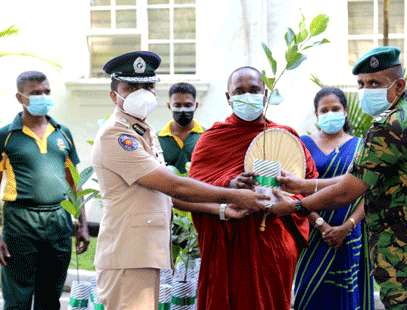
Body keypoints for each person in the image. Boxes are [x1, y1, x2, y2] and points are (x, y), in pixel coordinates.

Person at [270, 46, 407, 309]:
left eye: (375, 83)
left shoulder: (389, 126)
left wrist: (296, 205)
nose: (366, 90)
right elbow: (359, 175)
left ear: (399, 85)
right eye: (361, 84)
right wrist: (303, 184)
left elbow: (347, 191)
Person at [92, 52, 268, 310]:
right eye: (131, 87)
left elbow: (167, 196)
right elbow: (172, 184)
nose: (141, 93)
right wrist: (236, 196)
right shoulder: (117, 136)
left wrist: (221, 210)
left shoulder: (142, 130)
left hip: (141, 253)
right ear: (113, 95)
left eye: (147, 86)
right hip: (127, 256)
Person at [188, 66, 318, 310]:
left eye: (254, 90)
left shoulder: (285, 136)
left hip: (273, 242)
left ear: (265, 94)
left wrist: (283, 199)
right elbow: (192, 190)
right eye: (239, 91)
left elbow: (307, 187)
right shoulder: (212, 140)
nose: (247, 96)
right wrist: (229, 184)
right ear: (229, 98)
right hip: (229, 245)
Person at [0, 71, 89, 309]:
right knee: (17, 299)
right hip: (19, 222)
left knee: (50, 298)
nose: (43, 97)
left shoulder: (63, 133)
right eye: (35, 93)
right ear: (20, 97)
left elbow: (74, 182)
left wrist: (82, 223)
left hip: (58, 221)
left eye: (46, 92)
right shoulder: (6, 136)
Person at [294, 87, 374, 310]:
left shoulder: (361, 147)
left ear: (345, 111)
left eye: (335, 108)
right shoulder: (303, 144)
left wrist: (347, 226)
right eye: (324, 110)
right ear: (317, 114)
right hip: (311, 234)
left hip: (348, 234)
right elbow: (296, 190)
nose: (330, 113)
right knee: (309, 295)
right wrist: (320, 223)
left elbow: (369, 192)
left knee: (344, 298)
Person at [158, 82, 203, 174]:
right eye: (177, 105)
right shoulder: (156, 139)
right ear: (169, 106)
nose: (182, 110)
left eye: (188, 105)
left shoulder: (207, 136)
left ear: (196, 106)